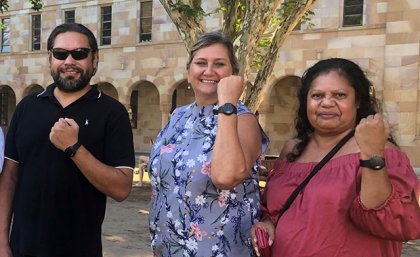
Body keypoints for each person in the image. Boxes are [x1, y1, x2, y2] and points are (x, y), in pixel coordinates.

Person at [251, 58, 420, 257]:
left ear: (357, 101)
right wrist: (267, 224)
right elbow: (275, 208)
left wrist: (372, 155)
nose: (327, 103)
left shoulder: (380, 150)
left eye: (339, 95)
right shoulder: (291, 149)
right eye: (317, 95)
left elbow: (396, 222)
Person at [0, 23, 135, 257]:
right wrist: (1, 241)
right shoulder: (27, 107)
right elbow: (9, 177)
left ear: (95, 59)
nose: (69, 61)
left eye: (79, 53)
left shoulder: (112, 113)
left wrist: (74, 147)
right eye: (60, 54)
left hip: (79, 250)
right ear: (50, 58)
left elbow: (121, 189)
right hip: (22, 248)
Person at [148, 31, 269, 256]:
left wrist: (227, 103)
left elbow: (226, 177)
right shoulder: (178, 116)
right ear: (189, 71)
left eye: (219, 64)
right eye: (201, 63)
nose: (209, 71)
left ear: (233, 74)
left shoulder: (243, 119)